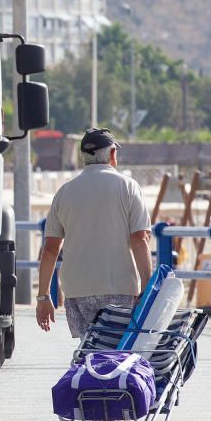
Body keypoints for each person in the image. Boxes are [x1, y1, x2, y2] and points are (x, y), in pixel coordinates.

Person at [36, 128, 152, 338]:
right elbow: (140, 239)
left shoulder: (64, 192)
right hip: (119, 285)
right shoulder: (128, 187)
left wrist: (43, 296)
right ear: (112, 154)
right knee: (118, 351)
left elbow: (51, 248)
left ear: (83, 157)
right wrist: (147, 286)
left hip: (77, 289)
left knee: (89, 349)